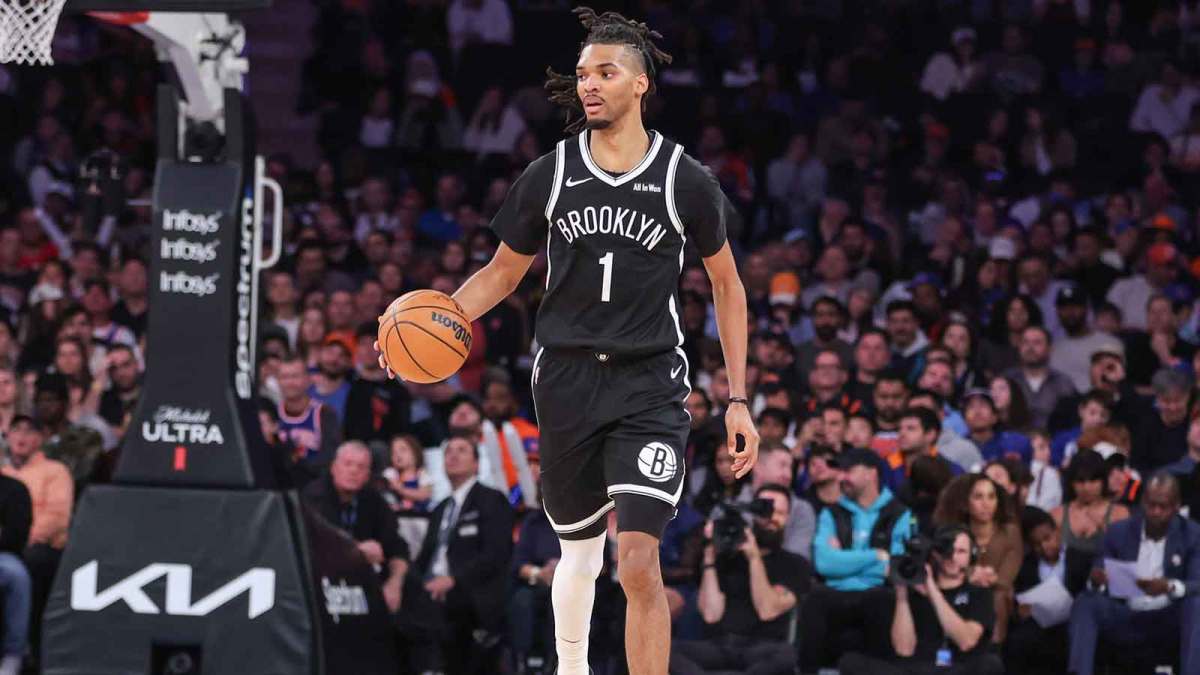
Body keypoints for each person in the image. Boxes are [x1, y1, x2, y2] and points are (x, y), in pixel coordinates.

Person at [377, 9, 759, 674]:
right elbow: (501, 272)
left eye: (606, 73)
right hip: (567, 380)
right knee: (578, 552)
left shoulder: (683, 178)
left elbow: (728, 285)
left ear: (640, 84)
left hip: (649, 384)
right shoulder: (551, 173)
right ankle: (572, 667)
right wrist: (433, 324)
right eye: (583, 74)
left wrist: (739, 397)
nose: (589, 85)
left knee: (638, 558)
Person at [1068, 472, 1200, 675]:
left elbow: (1196, 582)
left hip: (1169, 617)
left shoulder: (1191, 534)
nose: (1155, 512)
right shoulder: (1118, 532)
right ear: (1142, 502)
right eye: (1150, 504)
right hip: (1126, 614)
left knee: (1197, 603)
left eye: (1163, 506)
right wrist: (1097, 581)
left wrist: (1169, 586)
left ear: (1176, 506)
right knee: (1086, 601)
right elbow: (1099, 572)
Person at [670, 484, 810, 674]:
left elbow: (767, 609)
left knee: (786, 655)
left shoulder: (795, 564)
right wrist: (710, 555)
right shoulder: (727, 557)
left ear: (788, 519)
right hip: (720, 645)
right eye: (766, 512)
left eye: (779, 513)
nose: (771, 519)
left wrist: (753, 557)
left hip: (763, 648)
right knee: (666, 650)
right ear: (753, 514)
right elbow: (711, 614)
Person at [801, 447, 913, 672]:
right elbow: (824, 562)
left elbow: (895, 566)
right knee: (814, 598)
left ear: (871, 473)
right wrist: (875, 555)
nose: (841, 477)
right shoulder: (830, 513)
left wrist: (845, 561)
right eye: (840, 471)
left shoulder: (900, 514)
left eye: (848, 470)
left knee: (882, 600)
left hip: (878, 592)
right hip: (834, 593)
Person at [838, 525, 1003, 675]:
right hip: (915, 669)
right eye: (947, 550)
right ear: (936, 553)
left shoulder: (979, 593)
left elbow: (966, 640)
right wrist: (901, 590)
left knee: (990, 664)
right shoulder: (913, 593)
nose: (952, 557)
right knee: (851, 662)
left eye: (961, 551)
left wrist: (932, 590)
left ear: (971, 556)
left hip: (957, 669)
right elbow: (904, 649)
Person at [411, 434, 514, 674]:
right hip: (431, 590)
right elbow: (424, 558)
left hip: (470, 595)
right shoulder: (439, 509)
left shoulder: (491, 500)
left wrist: (452, 580)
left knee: (445, 618)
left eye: (462, 450)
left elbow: (495, 555)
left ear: (477, 464)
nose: (453, 455)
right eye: (448, 452)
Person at [301, 441, 408, 614]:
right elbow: (314, 544)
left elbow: (397, 547)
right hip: (324, 582)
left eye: (361, 467)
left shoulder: (373, 499)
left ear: (367, 475)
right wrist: (355, 550)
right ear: (334, 467)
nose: (353, 471)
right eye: (348, 464)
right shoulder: (314, 496)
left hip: (367, 582)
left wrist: (394, 584)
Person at [934, 474, 1022, 643]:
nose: (986, 504)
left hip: (999, 593)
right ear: (965, 502)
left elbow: (1006, 576)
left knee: (997, 595)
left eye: (991, 496)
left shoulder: (1010, 531)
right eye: (978, 497)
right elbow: (944, 566)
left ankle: (993, 648)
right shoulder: (952, 532)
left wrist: (987, 577)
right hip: (957, 587)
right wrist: (969, 575)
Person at [1006, 507, 1091, 675]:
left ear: (1057, 532)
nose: (1045, 547)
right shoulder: (1026, 567)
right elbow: (1020, 600)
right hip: (1039, 626)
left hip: (1073, 625)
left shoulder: (1081, 560)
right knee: (1018, 640)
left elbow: (1088, 593)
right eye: (1037, 544)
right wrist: (1020, 612)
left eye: (1047, 538)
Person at [1051, 449, 1130, 557]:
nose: (1086, 487)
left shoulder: (1119, 514)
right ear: (1072, 483)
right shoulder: (1056, 515)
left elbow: (1125, 554)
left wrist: (1105, 529)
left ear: (1103, 481)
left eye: (1093, 480)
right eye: (1080, 481)